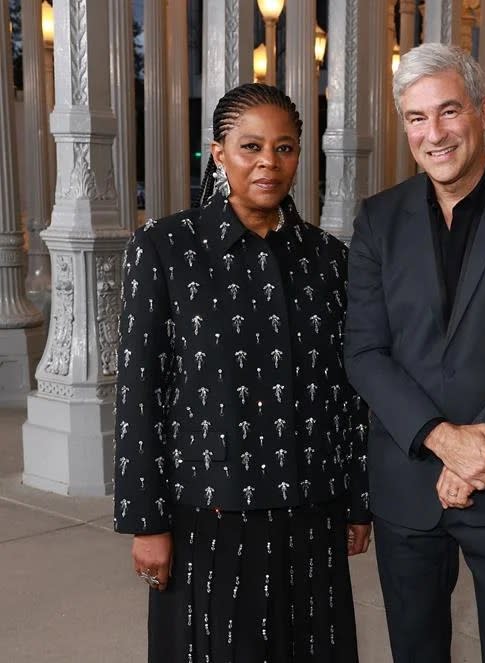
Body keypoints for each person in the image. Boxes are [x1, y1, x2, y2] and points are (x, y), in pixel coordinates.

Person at [113, 83, 370, 663]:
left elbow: (348, 391)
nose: (268, 163)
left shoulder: (328, 259)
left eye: (284, 148)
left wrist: (358, 498)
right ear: (218, 152)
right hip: (210, 514)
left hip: (311, 510)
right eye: (250, 146)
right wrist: (145, 521)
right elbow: (139, 390)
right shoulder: (164, 249)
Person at [344, 43, 485, 663]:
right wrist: (442, 438)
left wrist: (481, 449)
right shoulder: (378, 219)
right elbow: (364, 351)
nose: (435, 133)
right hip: (406, 478)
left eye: (449, 112)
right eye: (418, 118)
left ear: (482, 110)